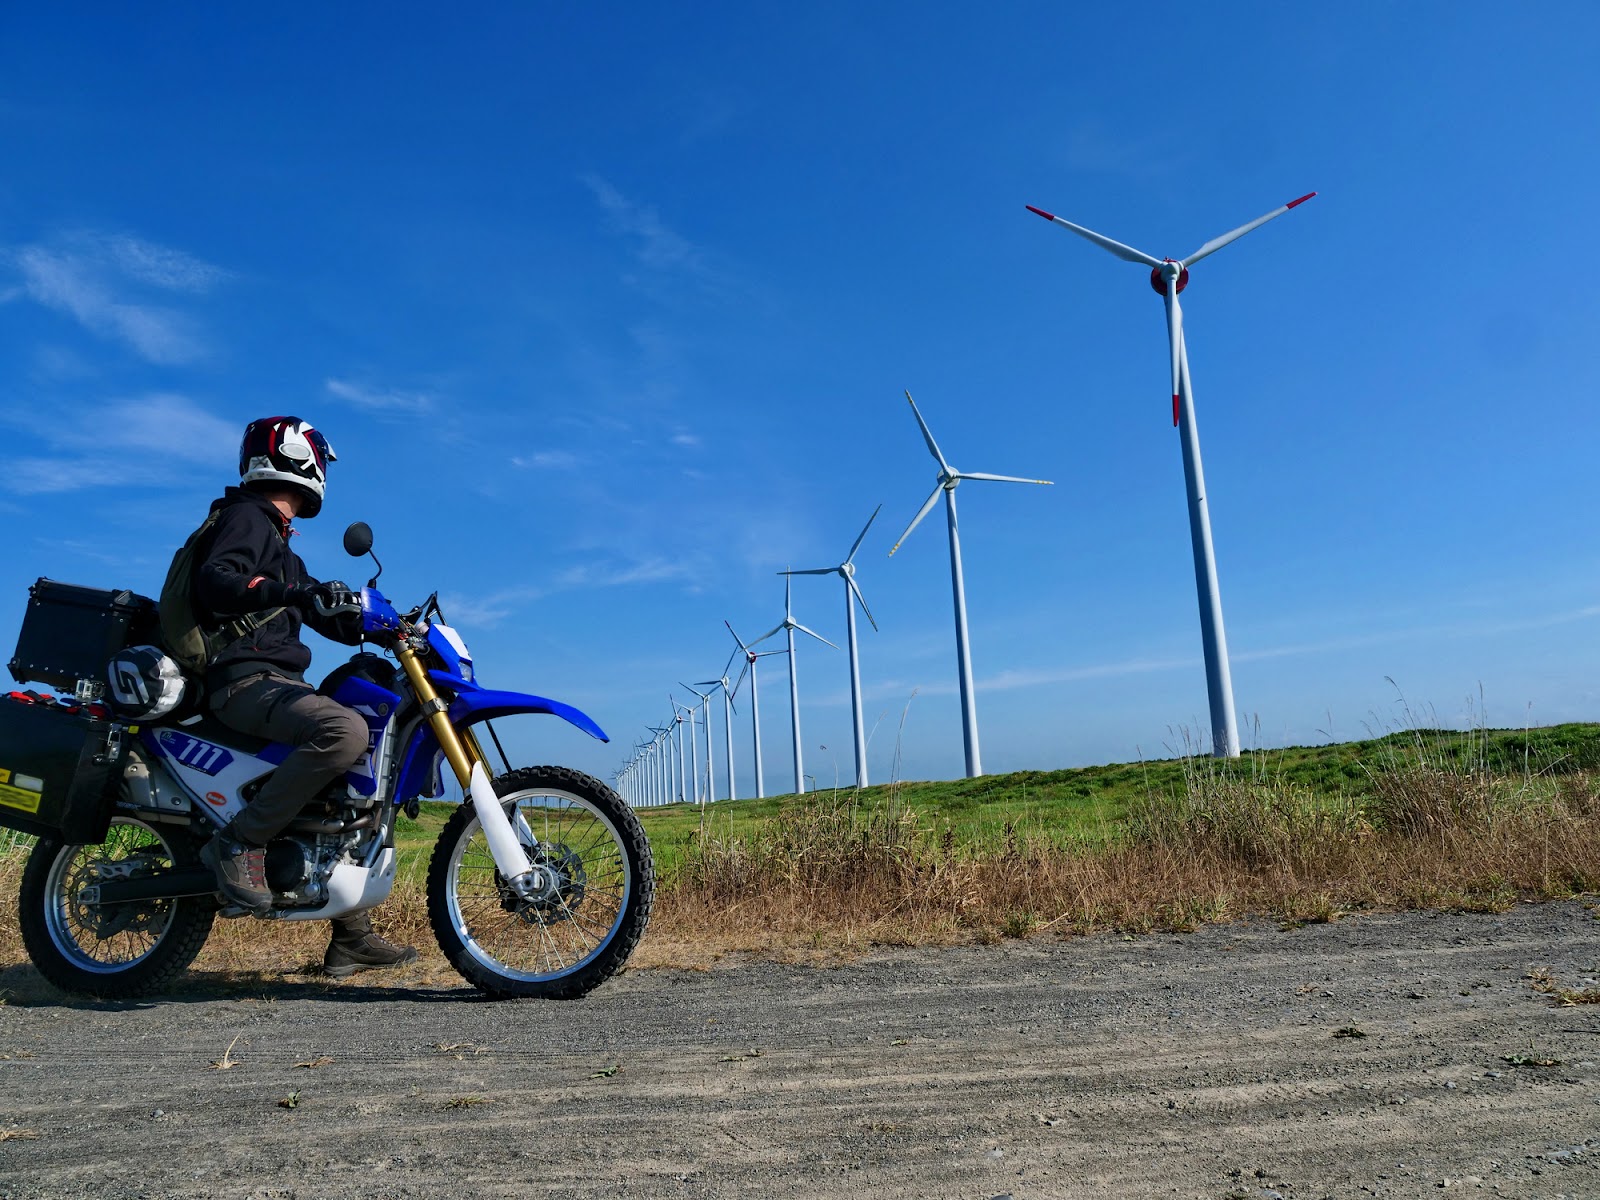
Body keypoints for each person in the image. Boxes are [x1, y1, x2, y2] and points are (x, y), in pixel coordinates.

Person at [192, 415, 417, 978]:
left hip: (276, 683)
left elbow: (314, 607)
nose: (322, 467)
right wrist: (295, 588)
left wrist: (383, 628)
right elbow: (217, 581)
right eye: (316, 454)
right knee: (343, 731)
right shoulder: (246, 518)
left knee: (360, 741)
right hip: (243, 682)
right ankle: (238, 843)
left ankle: (351, 937)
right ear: (291, 455)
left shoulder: (281, 543)